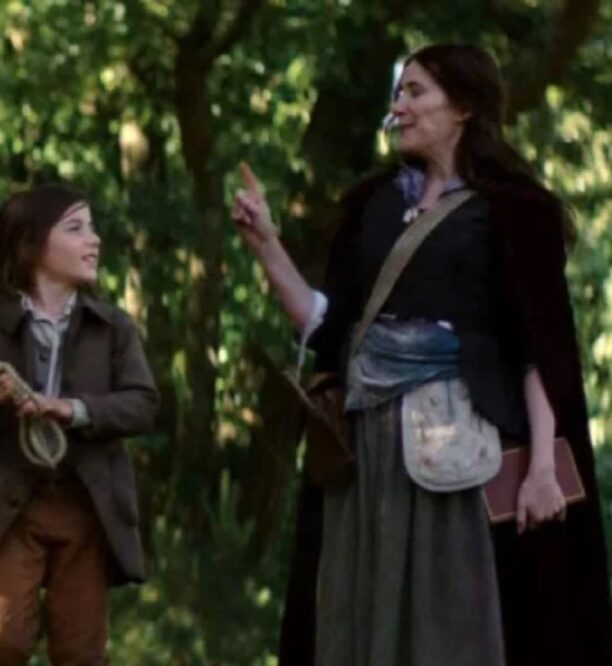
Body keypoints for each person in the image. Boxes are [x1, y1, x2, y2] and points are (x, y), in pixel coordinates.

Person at [232, 44, 612, 666]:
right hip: (368, 453)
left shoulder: (514, 212)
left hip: (457, 450)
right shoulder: (373, 207)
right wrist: (267, 245)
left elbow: (540, 352)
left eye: (415, 92)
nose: (399, 106)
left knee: (454, 625)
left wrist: (543, 467)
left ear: (462, 106)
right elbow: (329, 327)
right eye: (398, 93)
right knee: (358, 626)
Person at [0, 184, 159, 665]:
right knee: (1, 641)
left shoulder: (113, 326)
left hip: (87, 508)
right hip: (10, 509)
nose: (94, 240)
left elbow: (143, 405)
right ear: (30, 244)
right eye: (76, 228)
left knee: (80, 652)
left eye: (93, 228)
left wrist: (71, 409)